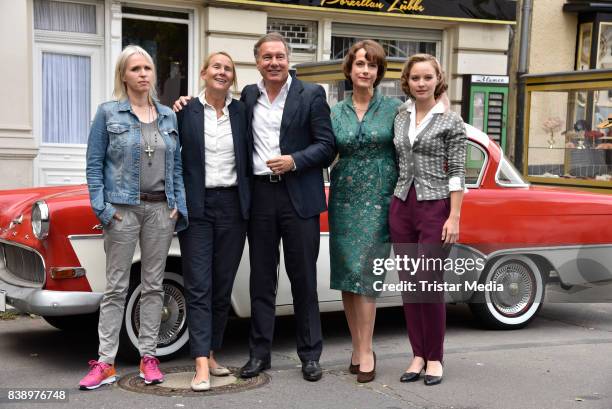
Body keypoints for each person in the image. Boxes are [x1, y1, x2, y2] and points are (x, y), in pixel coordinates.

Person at [81, 45, 187, 390]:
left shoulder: (168, 116)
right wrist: (104, 210)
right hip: (122, 211)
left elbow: (178, 166)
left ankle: (149, 356)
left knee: (154, 285)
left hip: (160, 210)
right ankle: (106, 362)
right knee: (116, 288)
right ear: (123, 75)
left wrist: (177, 205)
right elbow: (94, 166)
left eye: (147, 68)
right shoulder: (108, 114)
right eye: (135, 69)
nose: (143, 74)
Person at [238, 32, 336, 382]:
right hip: (261, 197)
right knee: (261, 280)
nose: (274, 63)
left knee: (303, 280)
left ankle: (310, 355)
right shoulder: (249, 95)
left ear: (288, 59)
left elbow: (327, 146)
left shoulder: (311, 94)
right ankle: (258, 355)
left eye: (280, 56)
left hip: (299, 199)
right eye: (267, 57)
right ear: (257, 62)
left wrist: (294, 160)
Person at [389, 54, 466, 386]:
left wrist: (456, 216)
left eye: (427, 77)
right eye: (415, 78)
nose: (421, 83)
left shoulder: (451, 121)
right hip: (401, 204)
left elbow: (459, 172)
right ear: (407, 81)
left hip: (436, 208)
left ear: (438, 80)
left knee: (428, 283)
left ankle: (435, 357)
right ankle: (417, 354)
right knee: (409, 284)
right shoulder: (400, 116)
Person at [176, 52, 250, 392]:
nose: (222, 72)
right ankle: (200, 364)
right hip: (199, 205)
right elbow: (173, 159)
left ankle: (211, 350)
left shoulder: (243, 112)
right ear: (204, 72)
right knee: (199, 284)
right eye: (216, 66)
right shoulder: (184, 111)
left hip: (234, 205)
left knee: (222, 284)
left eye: (228, 68)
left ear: (233, 78)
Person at [328, 40, 401, 383]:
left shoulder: (395, 109)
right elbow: (323, 152)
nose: (365, 71)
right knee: (347, 276)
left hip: (378, 199)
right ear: (350, 69)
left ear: (378, 72)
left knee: (367, 275)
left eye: (371, 66)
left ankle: (368, 349)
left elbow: (409, 148)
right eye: (359, 64)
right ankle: (356, 348)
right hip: (343, 199)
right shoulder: (335, 111)